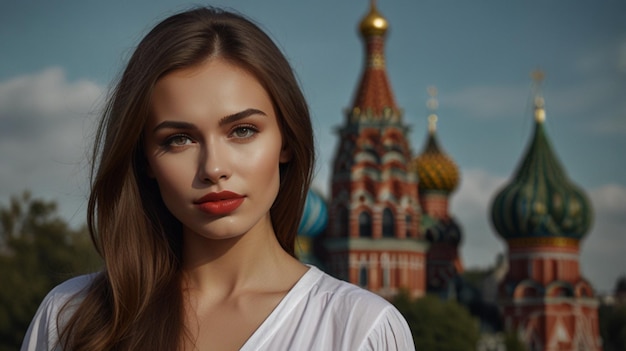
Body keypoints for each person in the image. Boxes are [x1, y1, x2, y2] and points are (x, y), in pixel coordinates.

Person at [21, 7, 414, 351]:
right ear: (144, 161)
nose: (213, 167)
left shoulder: (359, 330)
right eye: (179, 139)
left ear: (286, 142)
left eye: (242, 130)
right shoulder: (72, 318)